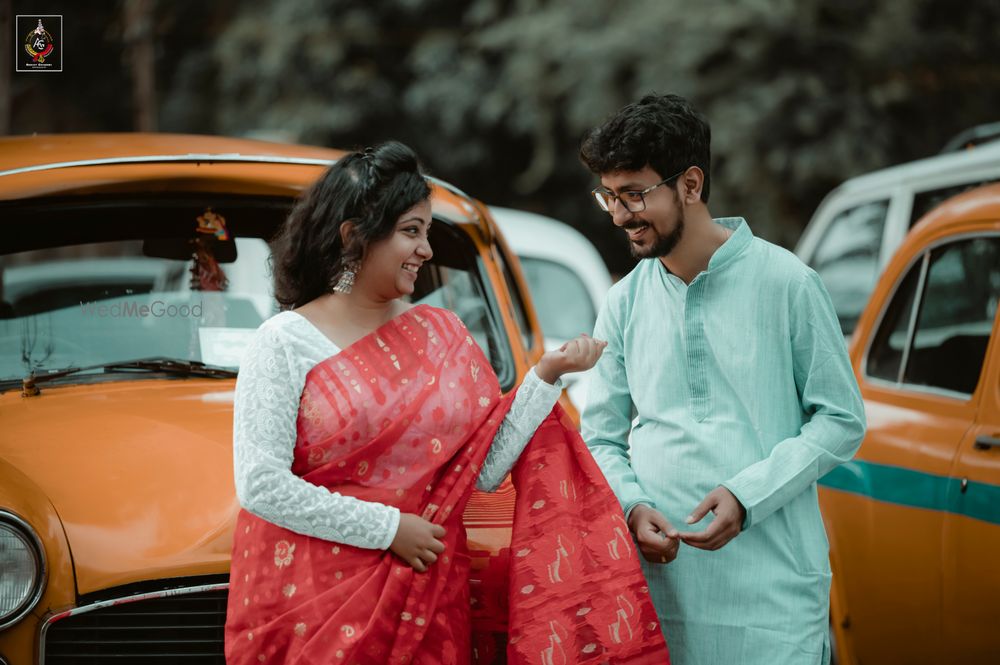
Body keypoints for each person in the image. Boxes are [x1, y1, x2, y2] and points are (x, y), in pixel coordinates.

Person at [224, 141, 668, 664]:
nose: (426, 250)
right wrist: (389, 529)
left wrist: (546, 376)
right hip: (317, 610)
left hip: (428, 597)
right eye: (411, 231)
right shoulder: (284, 341)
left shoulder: (438, 333)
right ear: (354, 236)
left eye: (427, 232)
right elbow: (260, 483)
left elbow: (479, 469)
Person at [578, 94, 866, 665]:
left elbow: (841, 419)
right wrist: (632, 505)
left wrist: (746, 496)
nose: (619, 215)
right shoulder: (624, 301)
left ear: (690, 183)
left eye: (635, 194)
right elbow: (601, 438)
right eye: (609, 196)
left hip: (772, 599)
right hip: (661, 594)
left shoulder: (788, 282)